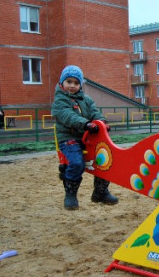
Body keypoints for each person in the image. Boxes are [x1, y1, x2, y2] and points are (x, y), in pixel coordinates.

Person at [51, 65, 118, 210]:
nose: (72, 86)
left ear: (80, 85)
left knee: (105, 158)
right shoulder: (60, 100)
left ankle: (100, 192)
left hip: (86, 137)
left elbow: (94, 112)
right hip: (69, 138)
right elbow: (68, 116)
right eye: (69, 81)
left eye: (76, 83)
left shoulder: (86, 99)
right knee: (76, 163)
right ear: (62, 82)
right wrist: (85, 124)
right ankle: (70, 195)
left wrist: (101, 122)